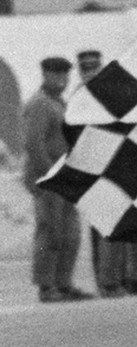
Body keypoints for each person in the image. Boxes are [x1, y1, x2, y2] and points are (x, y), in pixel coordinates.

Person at [22, 56, 91, 303]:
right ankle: (46, 285)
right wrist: (51, 174)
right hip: (48, 178)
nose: (61, 80)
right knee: (49, 233)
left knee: (70, 234)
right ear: (45, 75)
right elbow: (33, 144)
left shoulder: (58, 102)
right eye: (56, 75)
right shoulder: (40, 104)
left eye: (65, 75)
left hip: (64, 177)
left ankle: (63, 283)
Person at [76, 50, 130, 298]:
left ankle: (110, 278)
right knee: (104, 226)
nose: (89, 73)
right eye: (85, 69)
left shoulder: (111, 94)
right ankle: (107, 281)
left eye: (93, 68)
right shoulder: (80, 98)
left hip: (113, 165)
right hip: (93, 168)